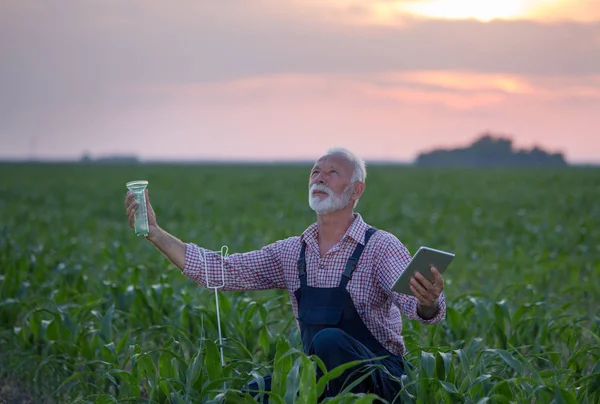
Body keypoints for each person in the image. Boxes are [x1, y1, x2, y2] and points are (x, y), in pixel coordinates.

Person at [125, 147, 446, 402]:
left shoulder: (380, 247)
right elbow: (220, 271)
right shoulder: (293, 252)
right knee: (239, 397)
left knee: (329, 341)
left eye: (332, 172)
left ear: (356, 189)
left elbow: (418, 307)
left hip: (381, 380)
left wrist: (428, 301)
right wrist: (155, 232)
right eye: (315, 172)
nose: (319, 178)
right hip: (317, 379)